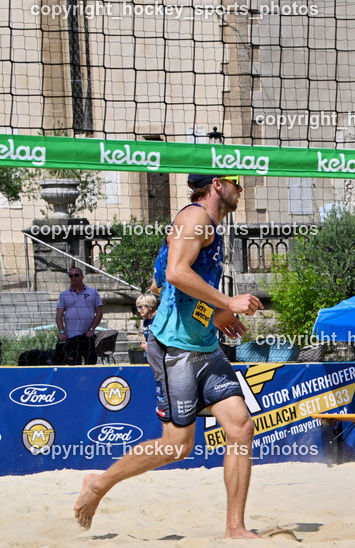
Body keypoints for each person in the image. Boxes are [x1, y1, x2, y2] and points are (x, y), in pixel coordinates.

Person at [75, 174, 264, 538]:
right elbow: (177, 273)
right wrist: (226, 301)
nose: (241, 187)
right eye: (235, 181)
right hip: (175, 349)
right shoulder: (193, 219)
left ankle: (235, 528)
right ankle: (98, 484)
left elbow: (159, 283)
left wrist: (215, 312)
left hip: (205, 346)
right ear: (216, 185)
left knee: (240, 426)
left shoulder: (208, 227)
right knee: (177, 446)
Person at [55, 267, 104, 365]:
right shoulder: (64, 295)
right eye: (71, 275)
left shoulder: (93, 293)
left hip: (87, 336)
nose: (73, 277)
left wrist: (92, 328)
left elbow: (99, 312)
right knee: (74, 366)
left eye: (76, 275)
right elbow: (59, 315)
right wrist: (62, 332)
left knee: (90, 364)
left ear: (82, 277)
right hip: (71, 337)